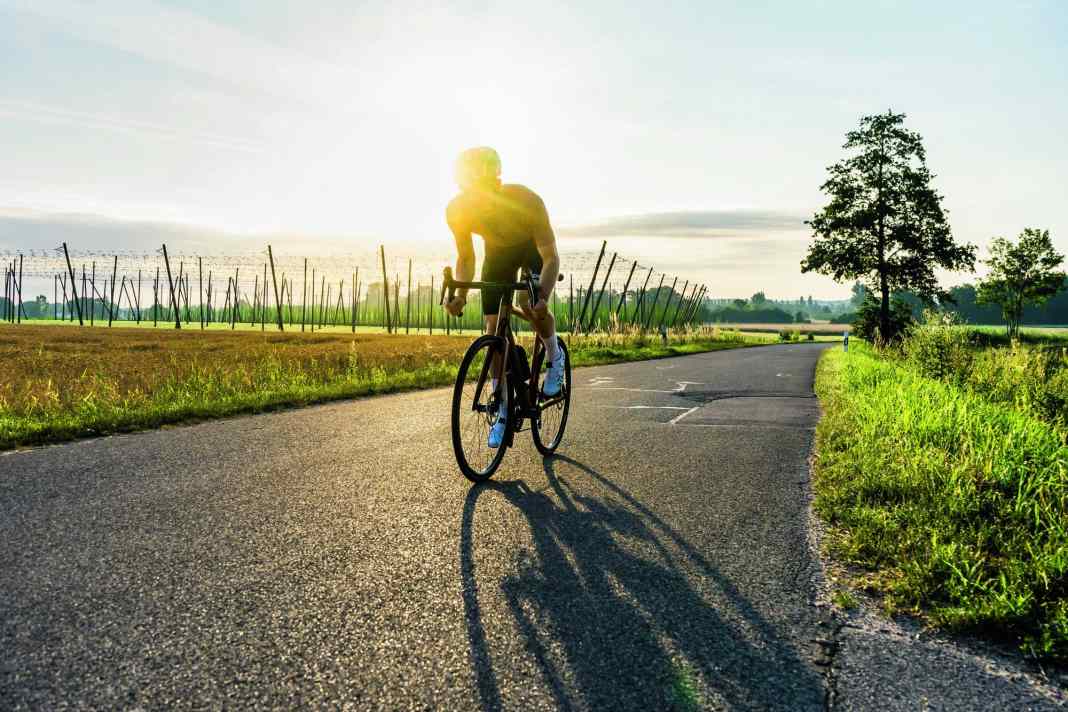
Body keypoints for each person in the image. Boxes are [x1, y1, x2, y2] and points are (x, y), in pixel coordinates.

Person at [443, 146, 565, 448]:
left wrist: (542, 296)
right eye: (474, 191)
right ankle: (503, 406)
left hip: (533, 249)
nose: (481, 200)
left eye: (487, 189)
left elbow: (551, 257)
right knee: (493, 326)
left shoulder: (527, 201)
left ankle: (555, 355)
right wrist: (460, 295)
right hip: (497, 255)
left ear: (497, 181)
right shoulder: (457, 210)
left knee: (529, 305)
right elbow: (466, 257)